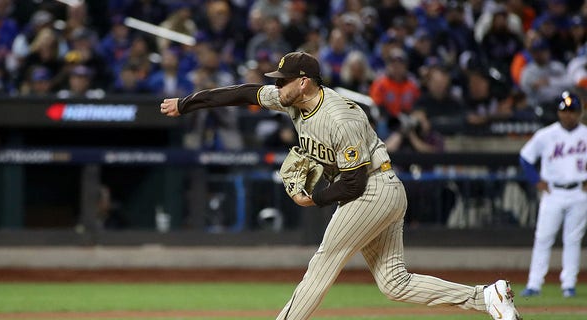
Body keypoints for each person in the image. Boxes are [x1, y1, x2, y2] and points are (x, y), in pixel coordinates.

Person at [159, 51, 521, 320]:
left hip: (372, 189)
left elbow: (353, 181)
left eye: (282, 80)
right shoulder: (291, 103)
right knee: (394, 283)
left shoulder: (340, 116)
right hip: (379, 190)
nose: (276, 85)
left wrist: (313, 199)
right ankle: (487, 297)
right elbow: (242, 93)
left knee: (323, 262)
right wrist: (187, 103)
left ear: (304, 82)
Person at [519, 91, 587, 298]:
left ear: (580, 112)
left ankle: (569, 285)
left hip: (579, 192)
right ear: (558, 112)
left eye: (572, 111)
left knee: (573, 239)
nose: (568, 115)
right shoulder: (546, 134)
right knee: (543, 237)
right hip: (554, 192)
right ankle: (534, 284)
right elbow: (525, 157)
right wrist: (536, 180)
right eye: (564, 111)